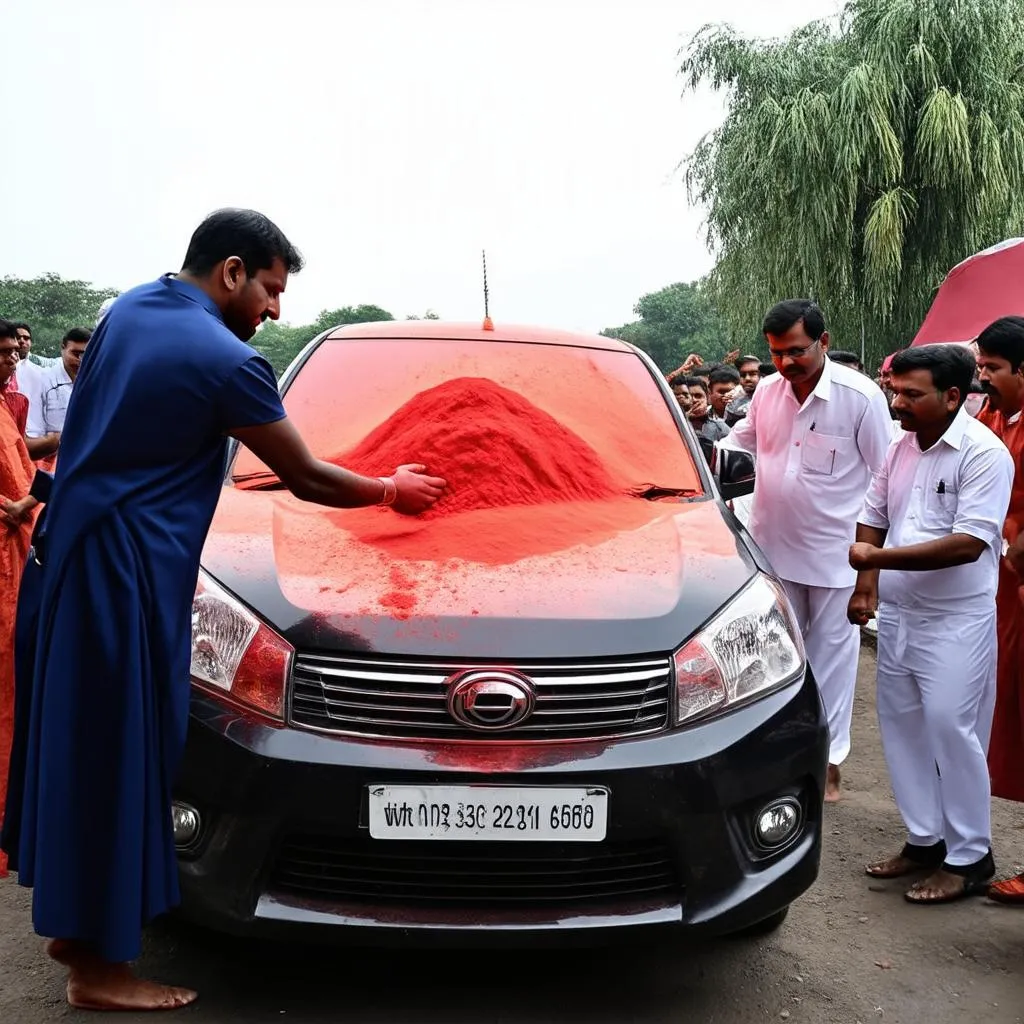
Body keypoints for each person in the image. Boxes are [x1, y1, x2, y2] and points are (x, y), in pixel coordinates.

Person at [0, 208, 448, 1012]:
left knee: (78, 749)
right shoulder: (226, 359)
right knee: (125, 757)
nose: (275, 310)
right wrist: (390, 488)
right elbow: (309, 475)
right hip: (125, 577)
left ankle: (75, 927)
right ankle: (97, 972)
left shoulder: (128, 311)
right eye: (272, 290)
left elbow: (157, 439)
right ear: (234, 271)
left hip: (68, 553)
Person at [849, 344, 1012, 902]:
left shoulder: (983, 454)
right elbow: (872, 517)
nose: (898, 402)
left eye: (911, 394)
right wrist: (866, 586)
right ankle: (924, 839)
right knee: (903, 728)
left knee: (951, 727)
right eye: (896, 391)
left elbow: (969, 543)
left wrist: (875, 562)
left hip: (956, 619)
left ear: (952, 396)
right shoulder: (899, 449)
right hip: (899, 615)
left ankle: (970, 856)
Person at [719, 300, 893, 802]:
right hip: (773, 551)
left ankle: (829, 761)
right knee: (773, 658)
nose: (785, 363)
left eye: (796, 351)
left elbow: (884, 480)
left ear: (822, 340)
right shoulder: (768, 392)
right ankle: (774, 755)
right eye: (776, 353)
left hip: (839, 557)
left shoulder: (859, 398)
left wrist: (871, 569)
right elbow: (739, 443)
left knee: (834, 664)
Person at [970, 317, 1024, 903]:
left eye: (993, 369)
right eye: (980, 367)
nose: (983, 378)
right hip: (998, 592)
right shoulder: (988, 419)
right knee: (1002, 711)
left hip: (1018, 582)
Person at [0, 320, 38, 879]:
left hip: (18, 546)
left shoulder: (9, 407)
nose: (11, 359)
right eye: (3, 352)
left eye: (13, 352)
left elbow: (23, 471)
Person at [26, 328, 91, 459]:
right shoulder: (43, 381)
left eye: (85, 355)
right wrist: (58, 439)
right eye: (75, 354)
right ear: (62, 348)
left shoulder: (95, 382)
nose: (80, 360)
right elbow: (32, 441)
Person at [683, 376, 730, 445]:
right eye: (687, 397)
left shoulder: (720, 428)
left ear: (707, 398)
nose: (694, 400)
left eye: (698, 396)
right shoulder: (673, 427)